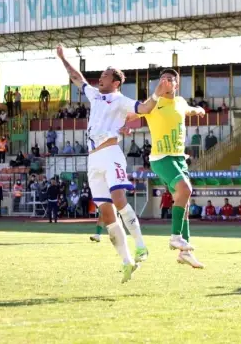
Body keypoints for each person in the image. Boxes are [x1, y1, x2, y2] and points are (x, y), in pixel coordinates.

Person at [57, 44, 168, 283]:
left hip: (110, 153)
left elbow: (146, 108)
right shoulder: (94, 94)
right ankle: (127, 261)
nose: (101, 77)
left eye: (106, 75)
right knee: (107, 214)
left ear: (115, 82)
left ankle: (141, 245)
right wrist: (63, 58)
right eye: (102, 75)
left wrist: (157, 91)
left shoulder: (120, 100)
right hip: (92, 159)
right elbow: (77, 77)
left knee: (119, 201)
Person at [124, 69, 205, 268]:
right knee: (185, 189)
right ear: (159, 84)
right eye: (163, 80)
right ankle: (175, 237)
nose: (167, 82)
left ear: (176, 84)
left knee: (183, 202)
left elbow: (189, 110)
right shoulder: (153, 103)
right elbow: (133, 113)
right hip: (161, 158)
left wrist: (199, 110)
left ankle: (184, 252)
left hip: (178, 158)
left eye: (171, 80)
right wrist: (124, 125)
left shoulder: (180, 102)